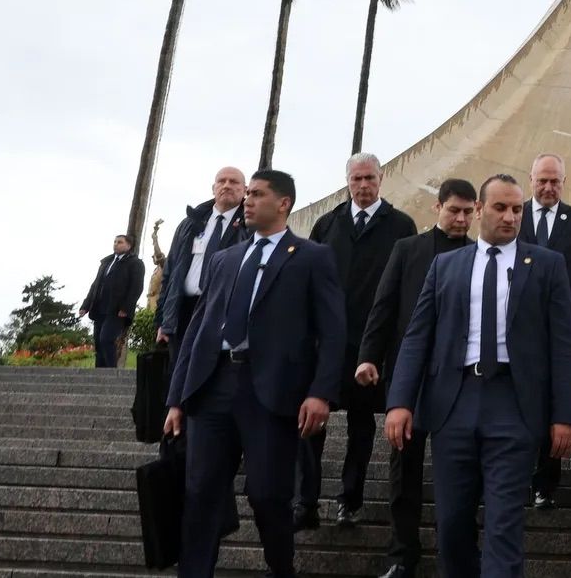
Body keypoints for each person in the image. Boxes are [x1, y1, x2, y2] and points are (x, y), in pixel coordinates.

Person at [384, 174, 571, 578]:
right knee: (452, 524)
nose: (510, 217)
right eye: (500, 207)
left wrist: (566, 415)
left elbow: (563, 344)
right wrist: (400, 402)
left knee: (504, 523)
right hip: (453, 403)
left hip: (514, 404)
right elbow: (417, 336)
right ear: (478, 211)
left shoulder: (546, 265)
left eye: (517, 209)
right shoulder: (446, 266)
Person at [163, 169, 345, 578]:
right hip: (212, 388)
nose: (247, 200)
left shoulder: (313, 257)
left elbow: (333, 331)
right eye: (247, 193)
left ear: (284, 204)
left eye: (257, 194)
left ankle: (281, 567)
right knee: (201, 493)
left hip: (271, 394)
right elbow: (198, 330)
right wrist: (176, 398)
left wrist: (321, 393)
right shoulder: (225, 260)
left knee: (267, 495)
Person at [355, 179, 477, 578]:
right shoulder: (408, 250)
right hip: (410, 379)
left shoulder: (482, 256)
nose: (460, 219)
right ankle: (402, 554)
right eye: (453, 210)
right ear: (437, 208)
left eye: (467, 211)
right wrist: (368, 357)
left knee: (458, 476)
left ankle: (455, 555)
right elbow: (383, 307)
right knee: (403, 472)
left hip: (460, 384)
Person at [296, 153, 418, 530]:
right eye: (356, 179)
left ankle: (351, 498)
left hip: (372, 345)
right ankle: (306, 500)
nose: (363, 186)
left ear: (381, 180)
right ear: (347, 181)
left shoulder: (401, 225)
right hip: (327, 344)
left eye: (370, 179)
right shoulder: (327, 224)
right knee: (312, 421)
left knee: (362, 423)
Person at [519, 153, 571, 509]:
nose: (549, 187)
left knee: (557, 405)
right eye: (543, 180)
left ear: (564, 183)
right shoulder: (514, 214)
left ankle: (545, 485)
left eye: (555, 181)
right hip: (519, 330)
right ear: (532, 179)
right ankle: (518, 477)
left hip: (564, 332)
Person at [157, 167, 249, 350]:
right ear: (213, 188)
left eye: (234, 182)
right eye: (221, 181)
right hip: (184, 311)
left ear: (245, 190)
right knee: (180, 374)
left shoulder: (251, 223)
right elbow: (169, 272)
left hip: (223, 311)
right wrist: (162, 320)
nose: (227, 185)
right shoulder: (189, 223)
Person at [81, 234, 144, 369]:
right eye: (115, 242)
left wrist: (126, 308)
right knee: (98, 342)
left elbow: (136, 288)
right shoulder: (106, 262)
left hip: (117, 311)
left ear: (128, 245)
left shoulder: (135, 263)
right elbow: (96, 285)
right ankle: (99, 375)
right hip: (100, 308)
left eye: (120, 242)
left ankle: (111, 373)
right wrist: (86, 305)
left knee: (106, 339)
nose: (116, 244)